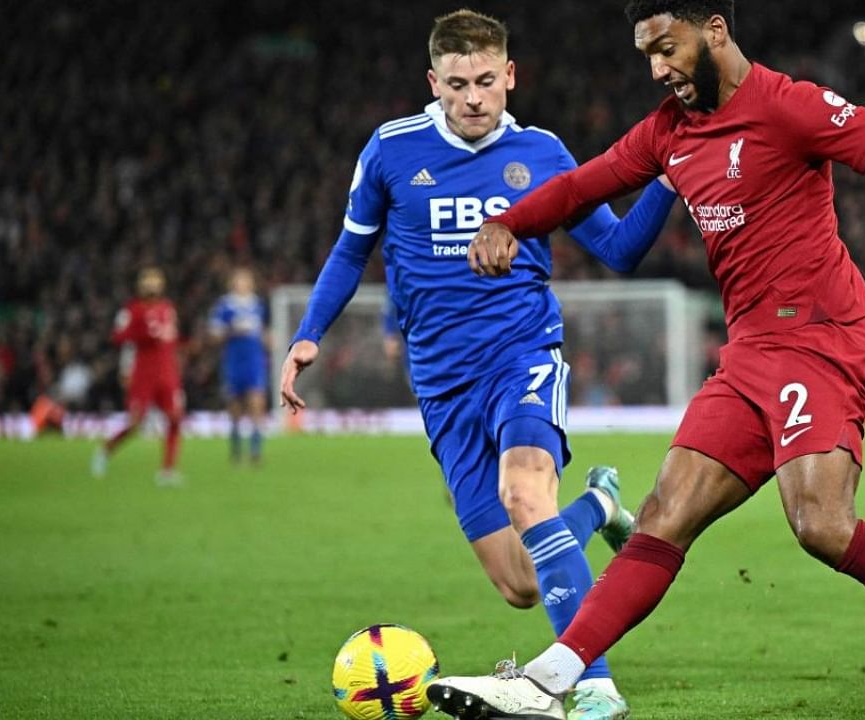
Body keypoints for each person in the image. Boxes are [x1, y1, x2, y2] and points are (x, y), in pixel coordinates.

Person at [427, 2, 865, 719]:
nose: (658, 69)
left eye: (668, 48)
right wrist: (510, 221)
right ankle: (549, 683)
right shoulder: (668, 132)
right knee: (663, 513)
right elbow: (585, 185)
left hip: (824, 337)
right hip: (750, 351)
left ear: (714, 30)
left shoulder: (791, 108)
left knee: (821, 526)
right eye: (647, 53)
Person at [277, 10, 678, 720]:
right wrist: (310, 333)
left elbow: (617, 250)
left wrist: (670, 180)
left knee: (525, 491)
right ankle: (603, 505)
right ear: (433, 81)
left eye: (486, 81)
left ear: (510, 77)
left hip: (523, 354)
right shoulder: (391, 151)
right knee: (521, 583)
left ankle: (593, 686)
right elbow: (350, 251)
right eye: (457, 83)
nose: (472, 97)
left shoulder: (544, 154)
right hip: (441, 385)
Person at [92, 267, 185, 486]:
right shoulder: (132, 310)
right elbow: (117, 337)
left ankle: (167, 471)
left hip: (166, 372)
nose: (152, 285)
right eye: (148, 281)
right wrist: (141, 333)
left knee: (174, 418)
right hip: (143, 373)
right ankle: (105, 451)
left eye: (155, 281)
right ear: (141, 285)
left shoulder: (167, 308)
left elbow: (171, 342)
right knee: (135, 422)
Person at [208, 267, 270, 465]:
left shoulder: (257, 304)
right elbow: (214, 335)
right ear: (232, 283)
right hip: (234, 361)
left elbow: (264, 331)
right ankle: (235, 451)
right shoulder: (225, 306)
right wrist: (232, 330)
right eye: (239, 280)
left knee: (256, 403)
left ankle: (255, 452)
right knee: (235, 408)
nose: (243, 283)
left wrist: (268, 338)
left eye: (246, 280)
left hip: (254, 361)